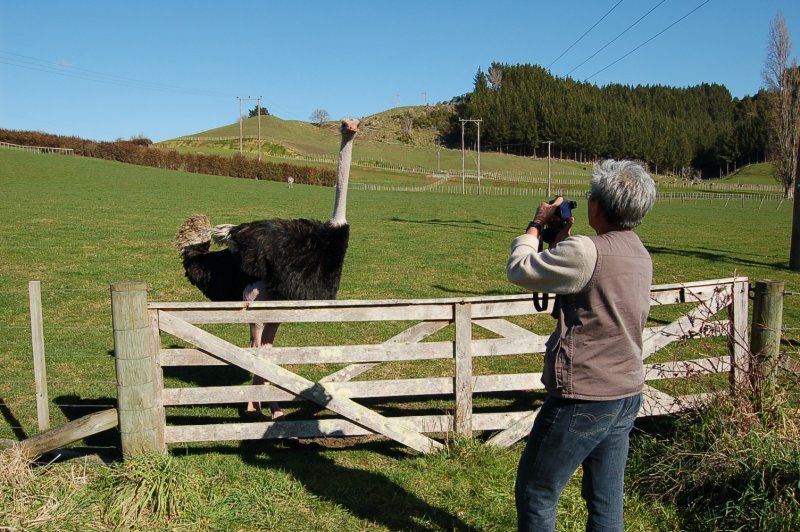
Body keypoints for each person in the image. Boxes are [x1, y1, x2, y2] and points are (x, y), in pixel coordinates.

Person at [506, 159, 656, 532]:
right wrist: (562, 241)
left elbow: (519, 268)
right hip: (626, 393)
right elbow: (583, 282)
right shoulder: (639, 251)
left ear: (598, 206)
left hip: (584, 396)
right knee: (606, 500)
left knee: (536, 492)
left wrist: (537, 224)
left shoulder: (587, 251)